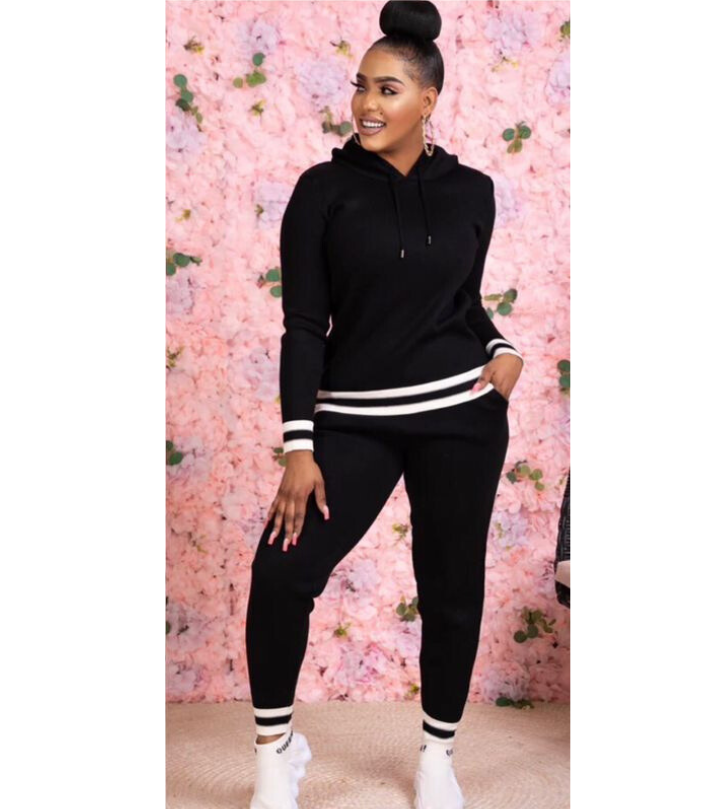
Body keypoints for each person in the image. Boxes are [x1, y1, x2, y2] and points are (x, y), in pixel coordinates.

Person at [245, 2, 524, 807]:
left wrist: (502, 349)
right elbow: (305, 324)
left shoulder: (473, 191)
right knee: (282, 573)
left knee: (450, 590)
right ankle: (274, 757)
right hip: (353, 422)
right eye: (361, 86)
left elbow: (460, 304)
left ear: (429, 100)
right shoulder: (322, 191)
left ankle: (438, 756)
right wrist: (300, 443)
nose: (366, 104)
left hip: (461, 416)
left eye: (388, 89)